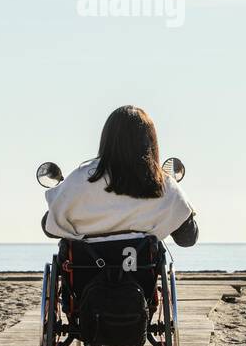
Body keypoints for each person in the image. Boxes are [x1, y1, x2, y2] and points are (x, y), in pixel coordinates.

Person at [41, 105, 198, 246]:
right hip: (139, 276)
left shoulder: (80, 179)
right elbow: (187, 239)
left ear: (107, 138)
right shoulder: (164, 185)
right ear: (150, 141)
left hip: (84, 274)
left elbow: (49, 228)